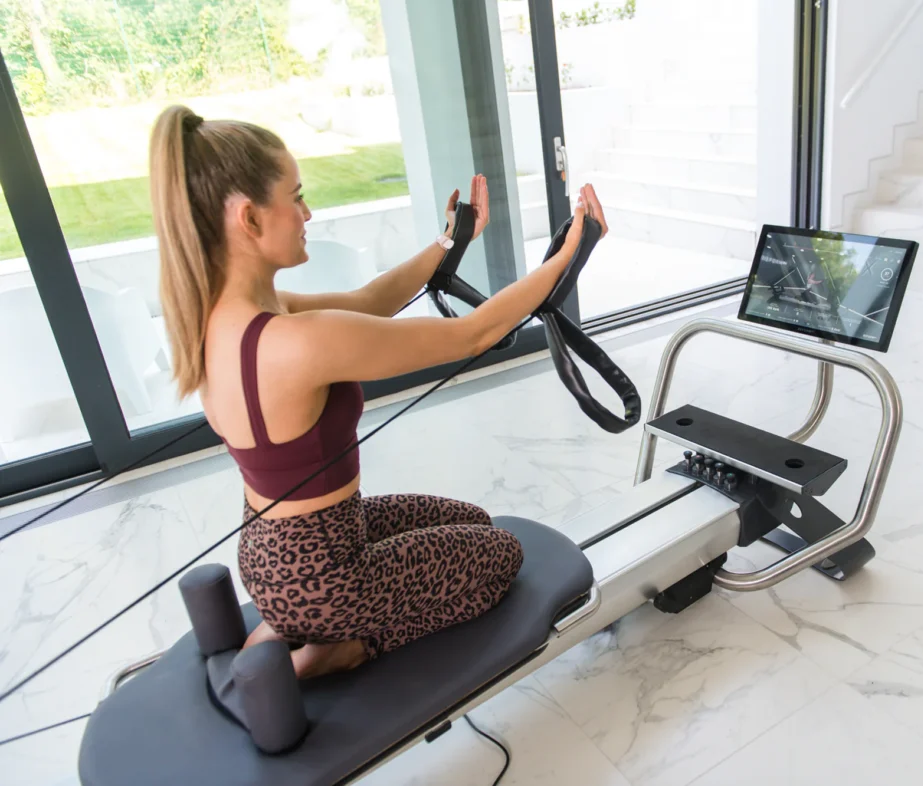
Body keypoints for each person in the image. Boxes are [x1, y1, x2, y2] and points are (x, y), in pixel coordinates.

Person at [148, 105, 608, 679]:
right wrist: (567, 256)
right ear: (248, 218)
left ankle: (291, 621)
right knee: (501, 560)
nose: (307, 213)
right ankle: (344, 647)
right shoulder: (292, 342)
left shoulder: (226, 319)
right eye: (296, 197)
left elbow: (368, 303)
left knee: (474, 519)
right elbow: (473, 334)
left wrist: (448, 242)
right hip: (327, 577)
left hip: (277, 555)